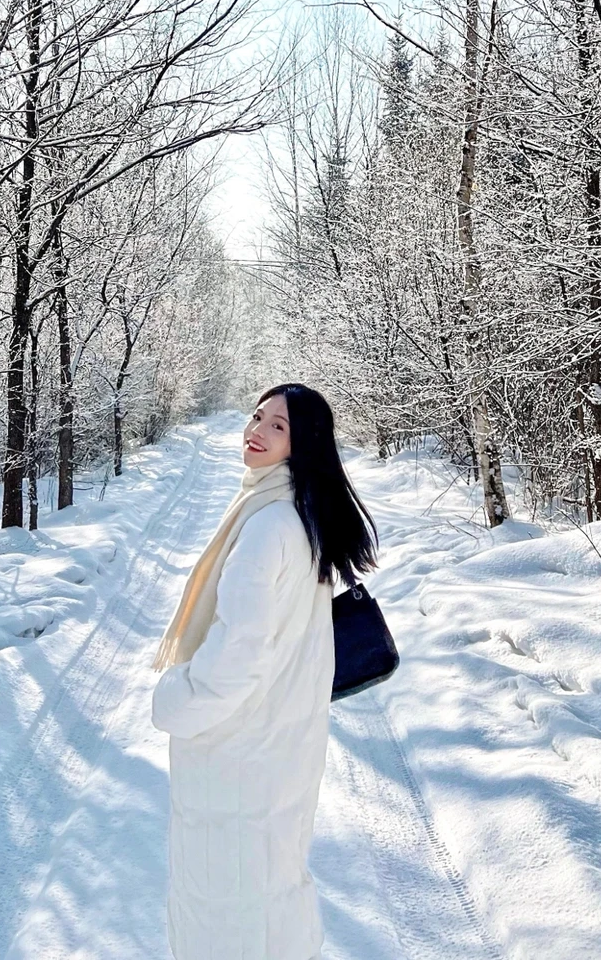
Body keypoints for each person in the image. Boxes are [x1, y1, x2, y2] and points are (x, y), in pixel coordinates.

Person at [151, 384, 379, 960]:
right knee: (271, 896)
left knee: (225, 913)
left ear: (302, 445)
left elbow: (238, 657)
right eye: (257, 417)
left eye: (278, 426)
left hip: (238, 753)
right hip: (278, 748)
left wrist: (175, 698)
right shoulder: (299, 520)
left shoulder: (267, 527)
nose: (256, 431)